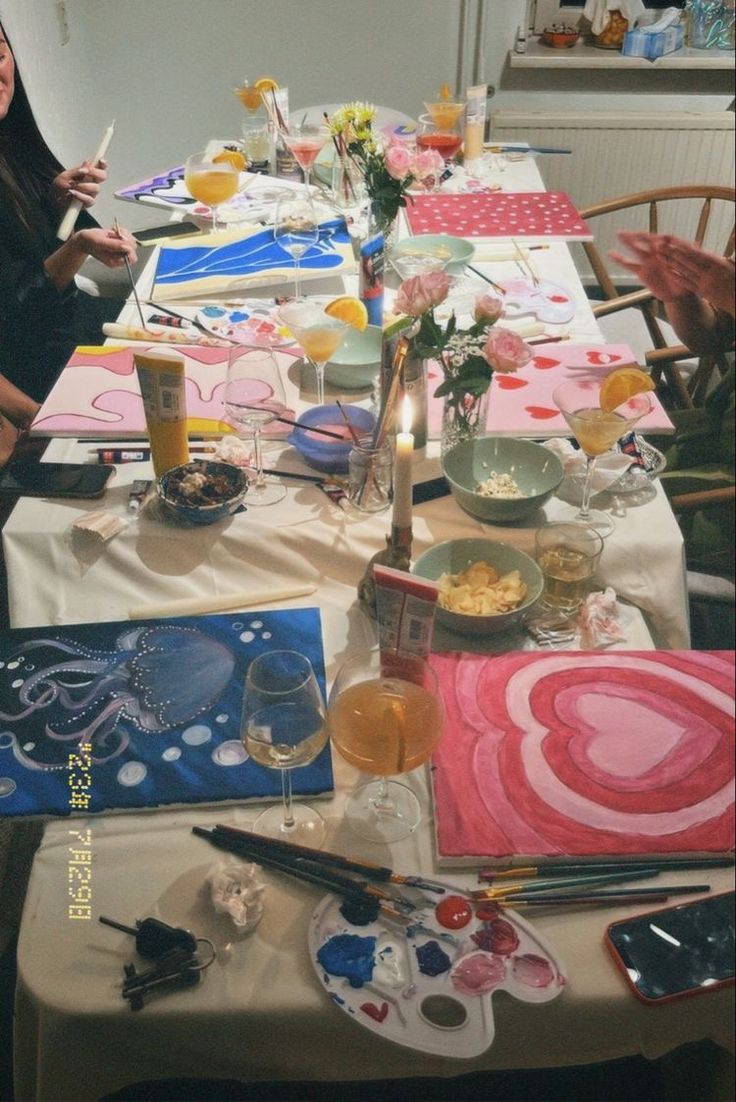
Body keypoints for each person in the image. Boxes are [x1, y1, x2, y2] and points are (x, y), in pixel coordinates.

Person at [0, 21, 138, 406]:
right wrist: (77, 245)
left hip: (76, 327)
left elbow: (26, 247)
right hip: (39, 368)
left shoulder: (14, 142)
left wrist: (53, 202)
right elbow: (18, 314)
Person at [611, 231, 735, 579]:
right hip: (719, 427)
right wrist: (680, 297)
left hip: (726, 493)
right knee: (600, 448)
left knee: (602, 510)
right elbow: (710, 339)